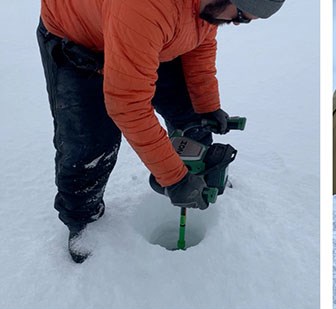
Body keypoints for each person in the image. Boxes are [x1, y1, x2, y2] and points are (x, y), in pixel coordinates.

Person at [37, 0, 284, 263]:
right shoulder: (146, 7)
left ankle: (200, 174)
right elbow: (128, 104)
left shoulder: (208, 6)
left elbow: (200, 40)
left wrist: (206, 106)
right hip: (80, 45)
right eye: (240, 16)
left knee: (191, 115)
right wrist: (174, 180)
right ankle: (84, 222)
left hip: (150, 35)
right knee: (91, 143)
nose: (237, 22)